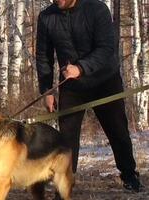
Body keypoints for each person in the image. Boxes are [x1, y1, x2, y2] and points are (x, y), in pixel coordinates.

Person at [36, 0, 143, 195]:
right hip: (71, 86)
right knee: (66, 141)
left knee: (118, 132)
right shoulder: (46, 17)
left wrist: (81, 68)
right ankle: (64, 186)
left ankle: (129, 175)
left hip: (105, 81)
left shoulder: (97, 8)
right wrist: (47, 90)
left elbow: (106, 48)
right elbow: (44, 57)